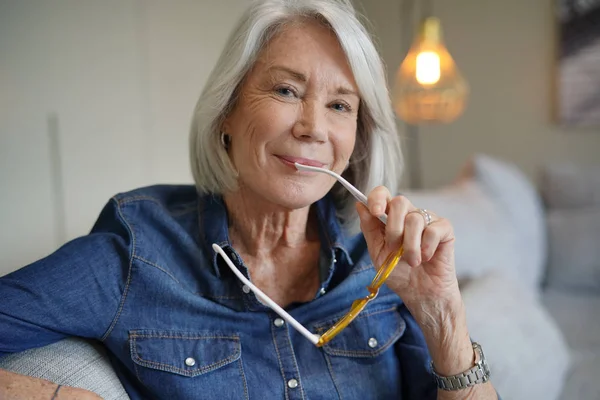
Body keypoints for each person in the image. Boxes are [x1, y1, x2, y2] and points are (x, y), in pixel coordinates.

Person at [0, 0, 500, 399]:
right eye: (286, 90)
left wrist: (443, 316)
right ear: (226, 114)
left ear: (356, 142)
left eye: (340, 105)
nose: (312, 128)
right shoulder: (139, 247)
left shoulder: (384, 263)